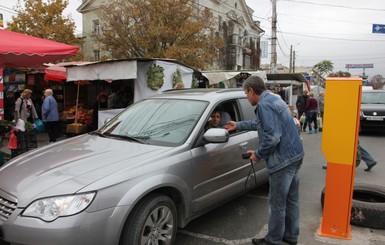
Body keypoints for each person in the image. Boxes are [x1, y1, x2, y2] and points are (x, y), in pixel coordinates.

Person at [224, 76, 304, 245]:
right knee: (291, 200)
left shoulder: (264, 105)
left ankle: (273, 240)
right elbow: (265, 125)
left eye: (246, 93)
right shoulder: (274, 99)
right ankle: (290, 236)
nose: (246, 97)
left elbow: (273, 137)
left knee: (277, 204)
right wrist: (238, 125)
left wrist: (259, 154)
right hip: (295, 155)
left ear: (252, 91)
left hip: (282, 160)